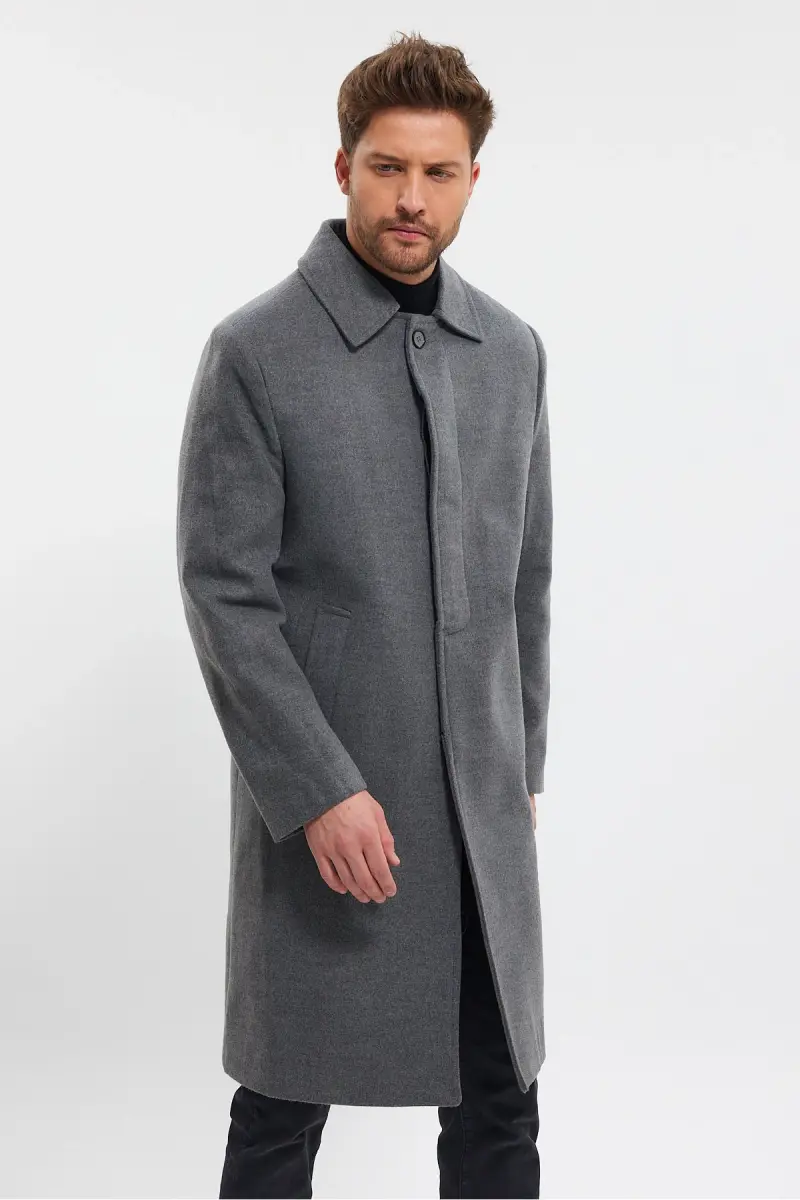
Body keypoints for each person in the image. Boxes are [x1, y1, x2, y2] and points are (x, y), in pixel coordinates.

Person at [176, 30, 553, 1200]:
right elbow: (224, 592)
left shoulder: (509, 353)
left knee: (499, 1104)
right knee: (283, 1104)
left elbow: (525, 580)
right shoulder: (256, 352)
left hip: (477, 814)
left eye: (438, 173)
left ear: (473, 180)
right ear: (342, 167)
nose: (410, 199)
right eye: (387, 167)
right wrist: (315, 788)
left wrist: (519, 768)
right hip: (335, 803)